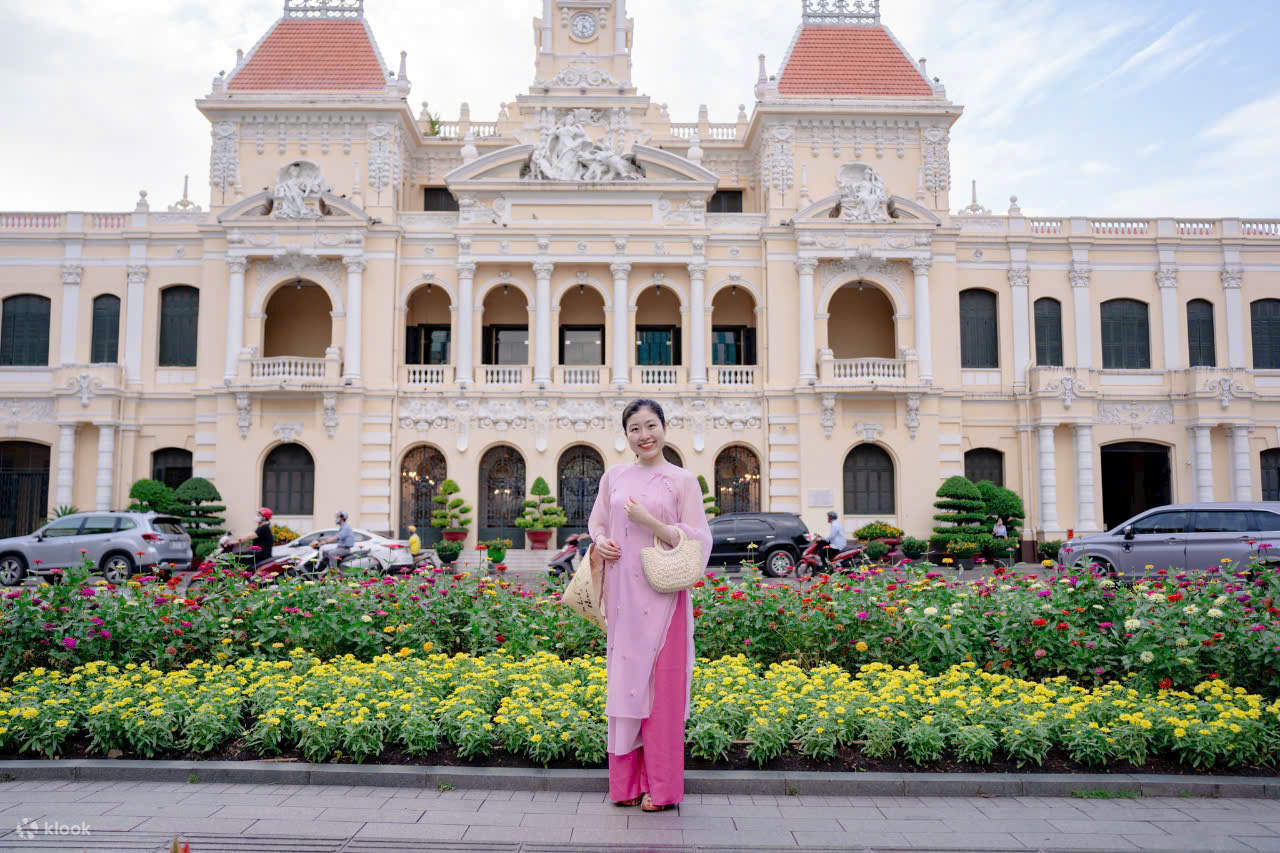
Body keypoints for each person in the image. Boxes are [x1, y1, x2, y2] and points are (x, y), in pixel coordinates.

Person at [588, 399, 712, 813]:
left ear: (664, 428)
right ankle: (625, 785)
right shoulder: (614, 476)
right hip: (623, 596)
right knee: (625, 685)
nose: (645, 436)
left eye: (651, 426)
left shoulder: (682, 480)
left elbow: (700, 540)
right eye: (635, 428)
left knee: (662, 692)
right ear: (626, 435)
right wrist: (600, 543)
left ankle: (660, 789)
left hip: (663, 598)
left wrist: (652, 523)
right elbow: (599, 523)